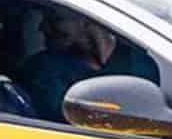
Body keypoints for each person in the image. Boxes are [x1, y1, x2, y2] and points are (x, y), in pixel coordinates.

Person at [18, 7, 161, 122]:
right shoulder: (42, 69)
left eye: (55, 19)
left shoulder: (138, 64)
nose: (42, 28)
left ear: (87, 21)